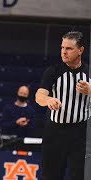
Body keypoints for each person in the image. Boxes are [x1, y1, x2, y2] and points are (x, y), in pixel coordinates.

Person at [35, 31, 89, 180]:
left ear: (81, 50)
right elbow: (39, 96)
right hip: (55, 131)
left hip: (81, 133)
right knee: (51, 175)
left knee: (78, 175)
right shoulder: (53, 71)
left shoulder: (89, 73)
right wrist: (48, 100)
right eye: (62, 48)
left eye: (69, 48)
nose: (64, 52)